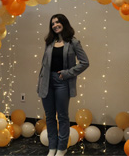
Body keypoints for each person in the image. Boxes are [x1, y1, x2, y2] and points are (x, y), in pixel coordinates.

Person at [37, 14, 89, 156]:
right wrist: (40, 83)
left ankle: (61, 148)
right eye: (53, 23)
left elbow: (85, 62)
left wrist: (67, 73)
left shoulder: (73, 42)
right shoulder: (49, 42)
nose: (55, 25)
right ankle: (52, 147)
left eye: (58, 22)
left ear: (64, 23)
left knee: (62, 116)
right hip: (46, 82)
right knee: (49, 116)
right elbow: (44, 65)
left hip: (62, 83)